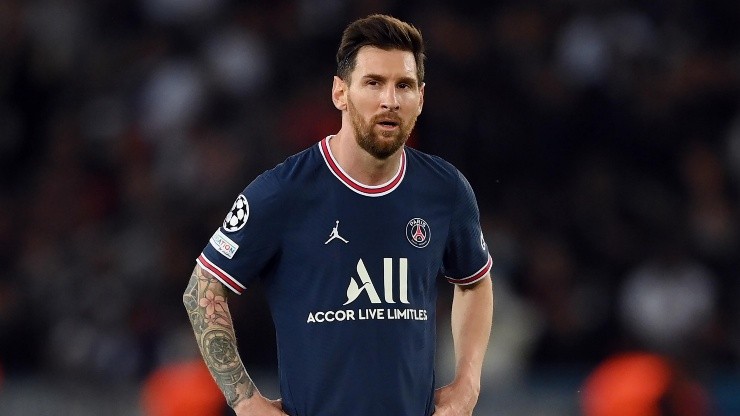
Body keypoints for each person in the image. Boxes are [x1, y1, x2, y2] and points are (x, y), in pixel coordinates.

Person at [183, 14, 494, 416]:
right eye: (373, 83)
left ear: (421, 97)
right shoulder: (283, 191)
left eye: (404, 85)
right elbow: (203, 287)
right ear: (340, 93)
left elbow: (474, 283)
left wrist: (468, 383)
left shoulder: (445, 189)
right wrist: (246, 402)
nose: (389, 100)